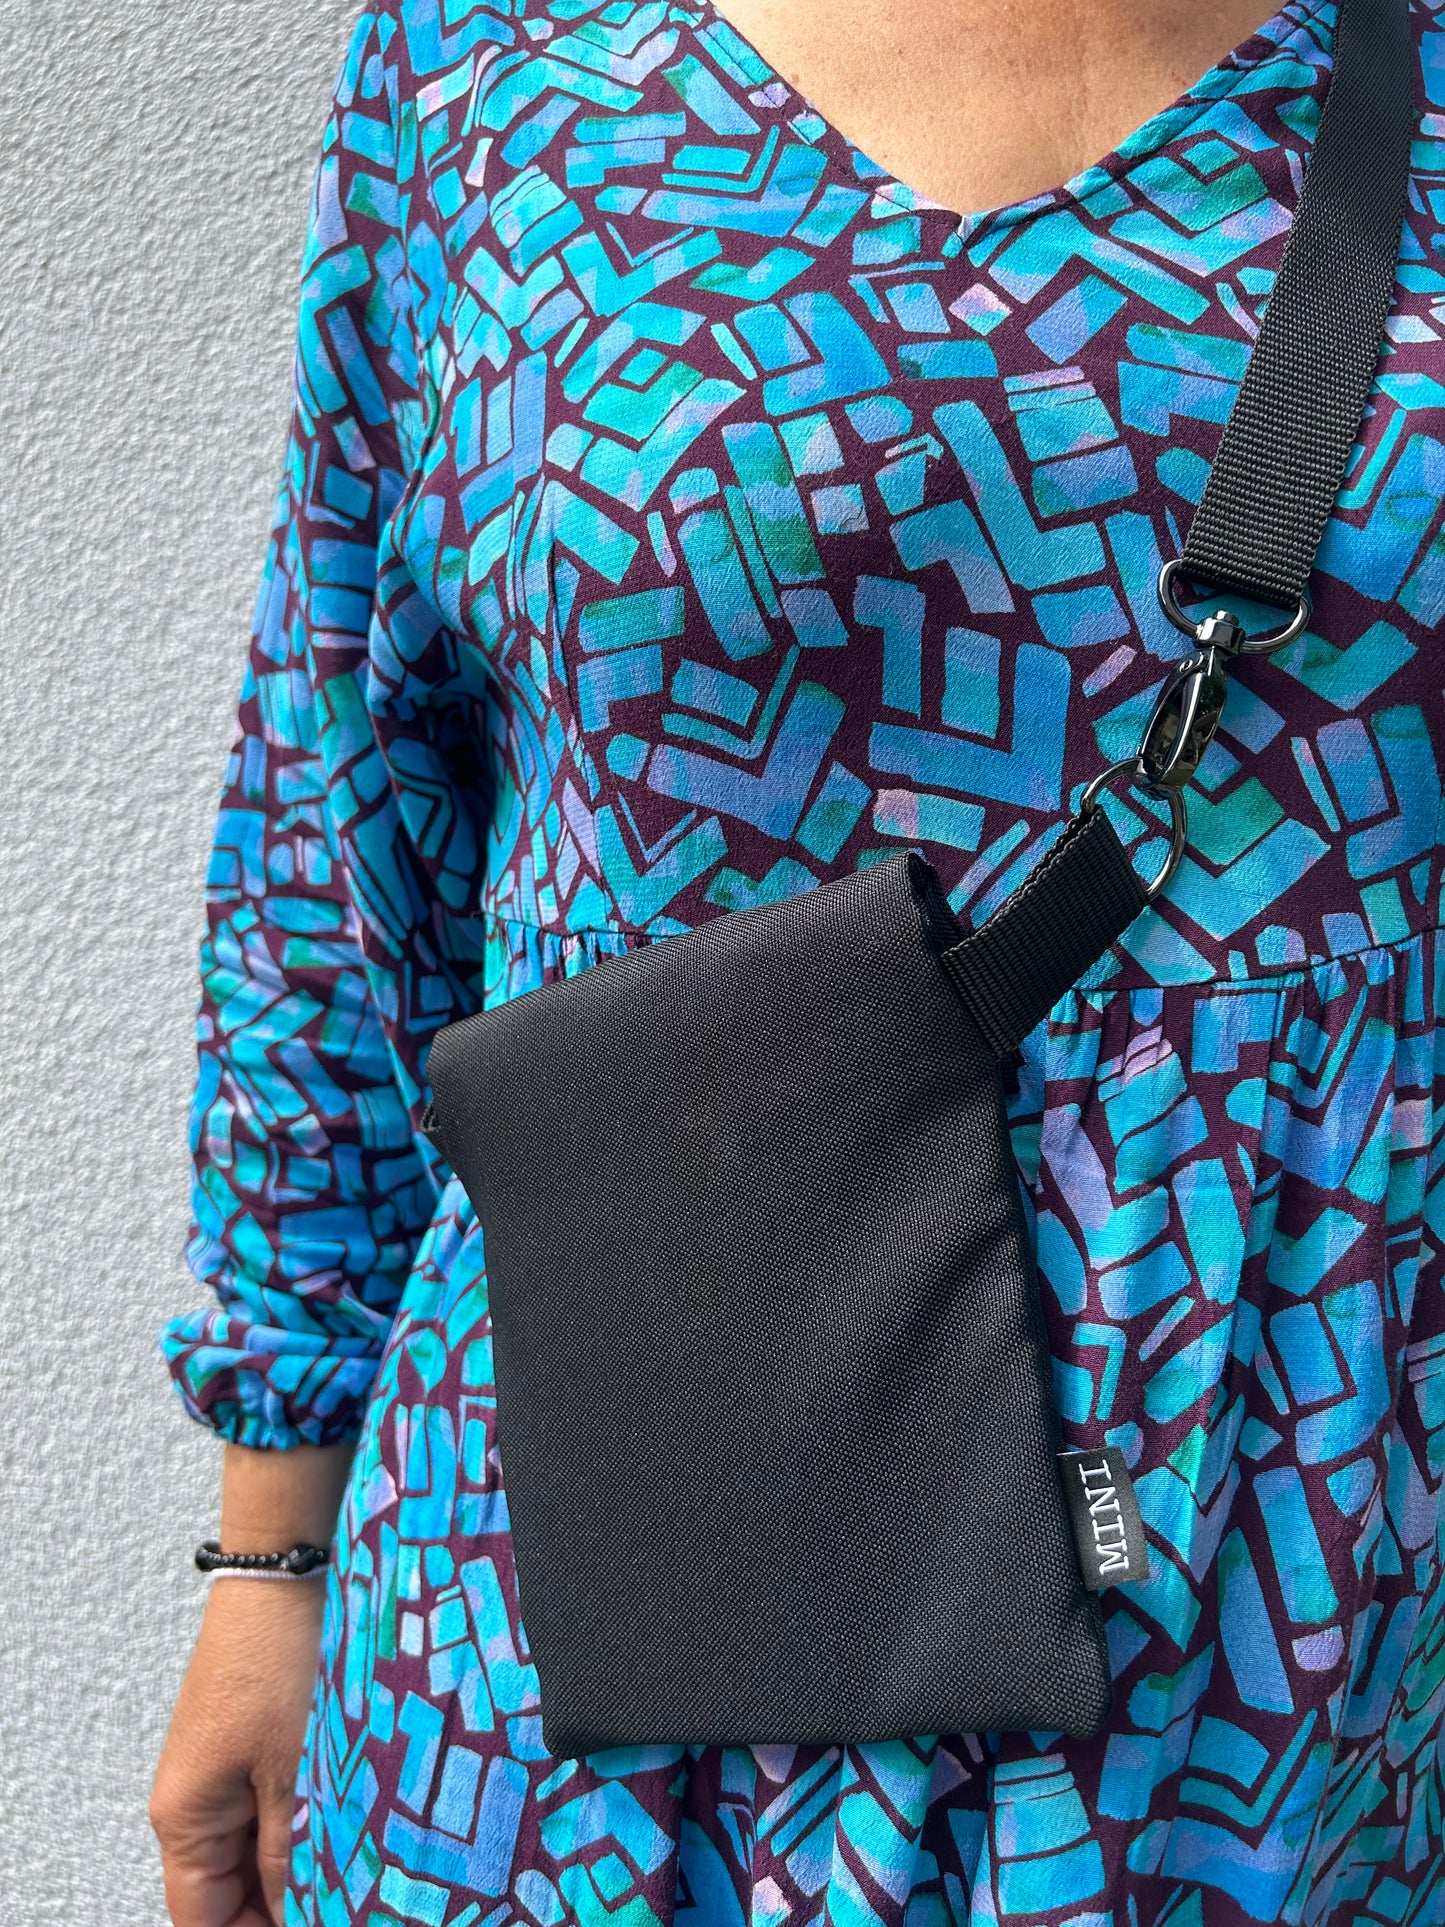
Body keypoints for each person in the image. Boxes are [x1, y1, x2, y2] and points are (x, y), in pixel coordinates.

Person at [149, 1, 1445, 1921]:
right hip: (617, 1579)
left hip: (1314, 1574)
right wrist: (272, 1563)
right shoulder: (487, 70)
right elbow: (341, 830)